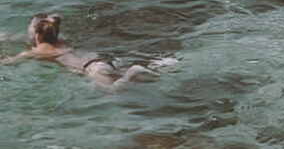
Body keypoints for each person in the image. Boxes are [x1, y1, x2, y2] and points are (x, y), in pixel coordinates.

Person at [2, 14, 177, 91]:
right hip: (102, 60)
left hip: (92, 69)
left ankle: (134, 72)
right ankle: (157, 66)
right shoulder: (61, 41)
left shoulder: (37, 51)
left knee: (113, 91)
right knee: (134, 82)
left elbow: (7, 62)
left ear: (38, 35)